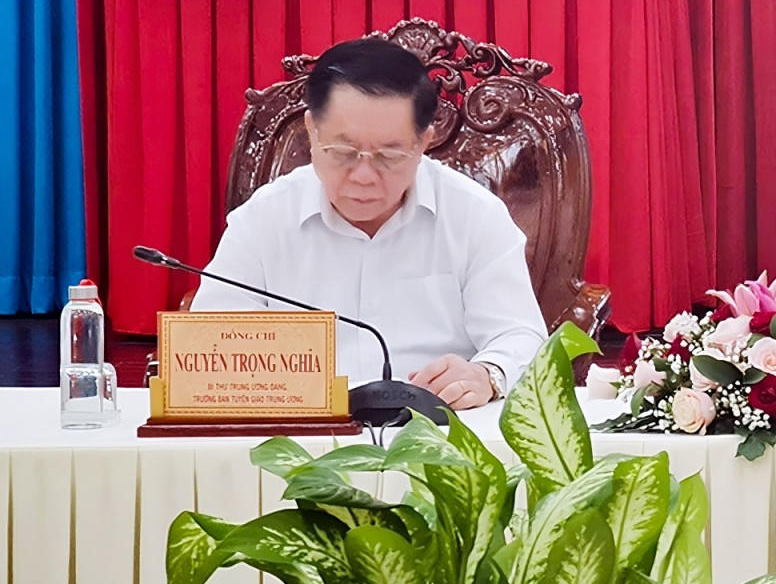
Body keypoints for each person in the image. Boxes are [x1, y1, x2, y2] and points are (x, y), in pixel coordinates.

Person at [191, 37, 546, 407]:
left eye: (389, 155)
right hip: (304, 428)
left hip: (437, 427)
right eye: (342, 151)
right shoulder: (264, 219)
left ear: (424, 141)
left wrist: (488, 373)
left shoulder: (474, 215)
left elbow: (520, 335)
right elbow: (211, 340)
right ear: (312, 130)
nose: (363, 176)